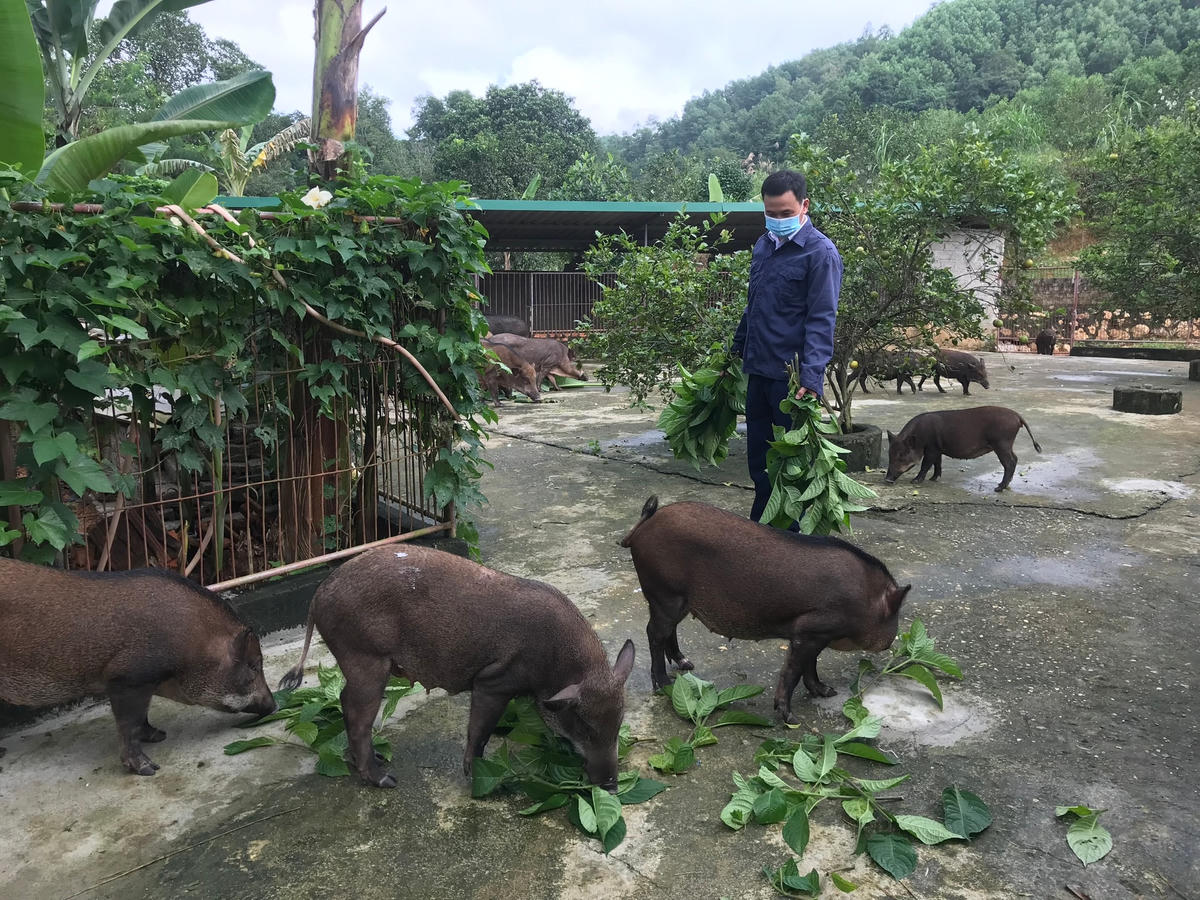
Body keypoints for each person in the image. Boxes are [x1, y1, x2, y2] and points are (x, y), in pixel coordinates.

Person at [730, 169, 842, 526]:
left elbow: (822, 318)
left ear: (804, 205)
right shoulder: (763, 245)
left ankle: (793, 542)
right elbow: (754, 306)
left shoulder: (820, 253)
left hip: (791, 381)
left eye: (785, 213)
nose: (777, 220)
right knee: (760, 464)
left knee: (792, 467)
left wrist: (812, 375)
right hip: (758, 371)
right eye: (771, 213)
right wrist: (735, 352)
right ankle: (763, 531)